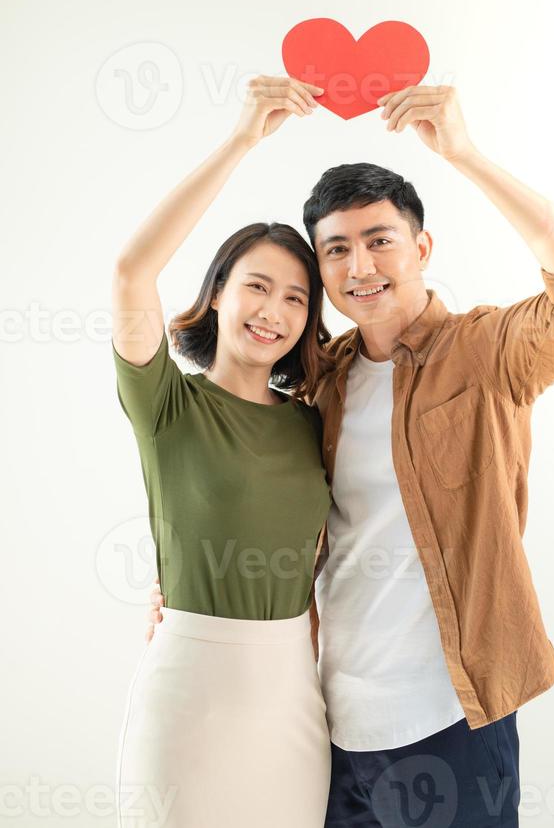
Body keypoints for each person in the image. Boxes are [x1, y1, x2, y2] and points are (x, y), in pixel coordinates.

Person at [147, 79, 554, 827]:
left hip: (450, 720)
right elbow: (252, 479)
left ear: (422, 246)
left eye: (380, 240)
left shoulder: (486, 351)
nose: (360, 265)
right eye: (336, 249)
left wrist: (465, 153)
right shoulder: (324, 379)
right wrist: (179, 582)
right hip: (333, 722)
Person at [111, 75, 335, 827]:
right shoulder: (168, 404)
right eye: (257, 286)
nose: (274, 311)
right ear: (216, 294)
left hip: (295, 700)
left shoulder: (312, 424)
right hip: (189, 698)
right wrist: (242, 138)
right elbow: (130, 271)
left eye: (297, 298)